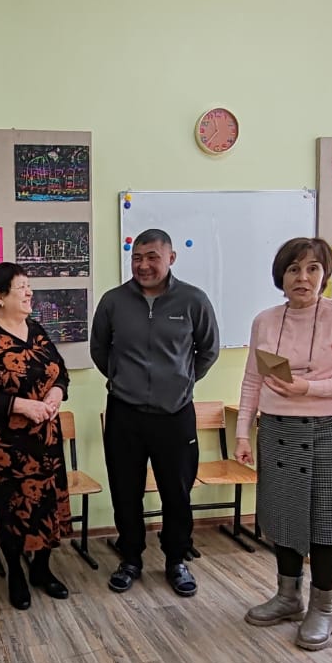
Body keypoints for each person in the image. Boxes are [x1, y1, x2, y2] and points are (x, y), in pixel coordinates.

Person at [235, 238, 332, 650]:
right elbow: (252, 379)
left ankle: (323, 608)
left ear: (324, 275)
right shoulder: (265, 320)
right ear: (280, 276)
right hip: (277, 429)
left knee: (325, 524)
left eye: (313, 269)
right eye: (294, 269)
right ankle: (287, 597)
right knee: (282, 519)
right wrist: (242, 432)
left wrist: (309, 388)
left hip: (330, 431)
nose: (303, 277)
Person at [89, 228, 219, 597]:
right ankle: (130, 558)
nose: (143, 265)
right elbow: (100, 349)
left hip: (175, 414)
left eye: (152, 257)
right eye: (137, 258)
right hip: (125, 413)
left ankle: (176, 559)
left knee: (176, 492)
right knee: (125, 491)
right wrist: (122, 379)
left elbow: (208, 350)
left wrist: (181, 382)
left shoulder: (193, 300)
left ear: (171, 258)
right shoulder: (113, 301)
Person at [0, 263, 73, 609]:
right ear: (0, 296)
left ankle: (41, 568)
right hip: (5, 445)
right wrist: (21, 406)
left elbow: (60, 372)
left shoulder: (36, 330)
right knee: (11, 507)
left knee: (46, 503)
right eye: (21, 287)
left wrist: (56, 393)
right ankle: (16, 574)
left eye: (28, 286)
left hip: (46, 439)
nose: (29, 292)